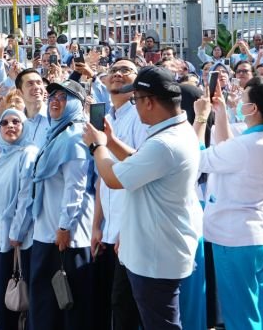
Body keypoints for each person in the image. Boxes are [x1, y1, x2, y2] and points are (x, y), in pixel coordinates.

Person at [84, 66, 202, 329]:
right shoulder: (174, 133)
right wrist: (111, 141)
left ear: (149, 102)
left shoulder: (165, 143)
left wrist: (97, 146)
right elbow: (139, 159)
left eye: (135, 100)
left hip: (155, 255)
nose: (134, 106)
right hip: (151, 249)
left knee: (161, 324)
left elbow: (113, 178)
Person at [194, 77, 263, 330]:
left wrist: (200, 119)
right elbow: (229, 147)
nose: (238, 102)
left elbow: (197, 159)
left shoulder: (246, 146)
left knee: (242, 314)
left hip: (236, 238)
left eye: (243, 100)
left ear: (253, 109)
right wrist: (219, 112)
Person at [21, 80, 93, 329]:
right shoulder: (56, 134)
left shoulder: (75, 138)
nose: (54, 100)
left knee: (67, 302)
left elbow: (76, 188)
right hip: (46, 231)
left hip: (66, 236)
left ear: (76, 104)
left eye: (63, 97)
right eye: (52, 95)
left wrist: (64, 227)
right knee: (45, 300)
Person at [90, 59, 146, 329]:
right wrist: (96, 224)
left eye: (126, 71)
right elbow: (103, 175)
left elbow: (139, 176)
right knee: (110, 302)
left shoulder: (140, 118)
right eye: (113, 71)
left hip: (129, 229)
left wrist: (127, 230)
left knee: (126, 306)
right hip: (108, 228)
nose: (118, 75)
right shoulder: (106, 119)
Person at [0, 108, 38, 330]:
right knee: (8, 288)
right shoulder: (3, 155)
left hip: (22, 238)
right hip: (4, 235)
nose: (10, 126)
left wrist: (17, 232)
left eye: (16, 122)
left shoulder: (28, 153)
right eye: (4, 123)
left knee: (22, 292)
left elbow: (26, 196)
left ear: (25, 126)